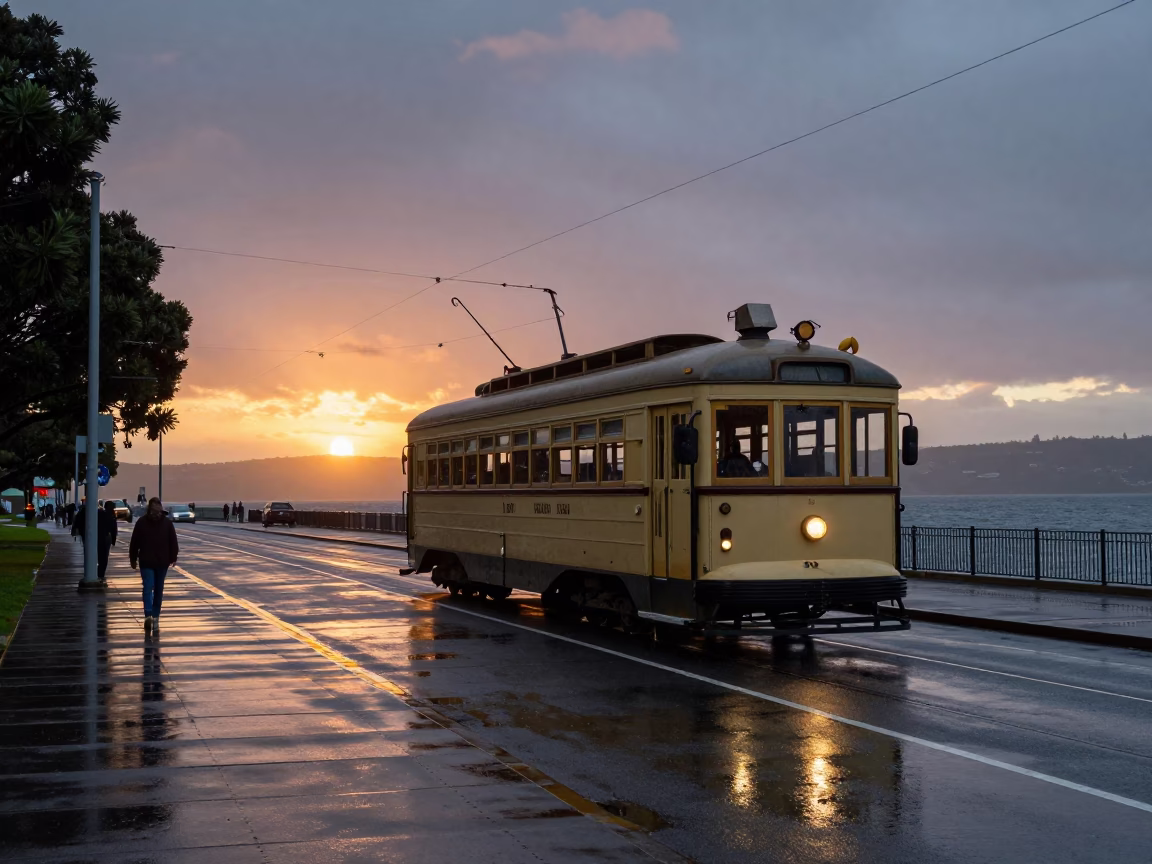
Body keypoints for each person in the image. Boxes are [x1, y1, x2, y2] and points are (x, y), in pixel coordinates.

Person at [129, 497, 179, 636]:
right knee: (157, 589)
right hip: (158, 562)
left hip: (151, 561)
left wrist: (133, 558)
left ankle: (150, 615)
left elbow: (134, 543)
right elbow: (173, 542)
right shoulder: (165, 523)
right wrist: (173, 557)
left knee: (148, 588)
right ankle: (153, 616)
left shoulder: (143, 522)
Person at [97, 500, 118, 581]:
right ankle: (101, 573)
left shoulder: (100, 513)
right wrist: (113, 540)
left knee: (100, 555)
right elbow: (114, 529)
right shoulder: (111, 515)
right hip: (106, 537)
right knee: (104, 557)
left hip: (99, 536)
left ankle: (99, 572)